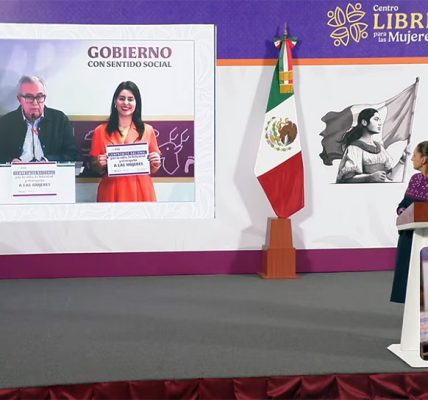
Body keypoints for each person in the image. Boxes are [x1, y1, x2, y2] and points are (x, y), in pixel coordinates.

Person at [90, 81, 161, 202]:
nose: (126, 103)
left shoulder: (148, 130)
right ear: (115, 101)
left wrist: (156, 161)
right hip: (111, 189)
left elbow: (153, 167)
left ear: (137, 103)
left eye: (130, 99)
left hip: (141, 189)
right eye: (121, 98)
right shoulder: (100, 131)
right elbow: (94, 166)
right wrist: (99, 163)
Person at [0, 75, 79, 163]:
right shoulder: (5, 122)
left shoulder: (60, 120)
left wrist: (47, 161)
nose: (35, 102)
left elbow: (72, 154)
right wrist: (11, 161)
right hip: (17, 171)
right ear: (19, 99)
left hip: (51, 170)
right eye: (29, 97)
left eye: (39, 96)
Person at [390, 141, 428, 303]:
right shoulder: (414, 179)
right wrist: (402, 212)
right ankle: (411, 311)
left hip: (425, 238)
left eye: (415, 155)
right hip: (408, 237)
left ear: (424, 159)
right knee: (408, 278)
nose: (412, 159)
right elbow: (403, 204)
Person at [336, 108, 395, 183]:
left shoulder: (380, 147)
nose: (380, 123)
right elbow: (347, 178)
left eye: (380, 120)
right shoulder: (355, 148)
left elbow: (390, 176)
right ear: (364, 122)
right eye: (376, 119)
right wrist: (370, 177)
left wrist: (402, 160)